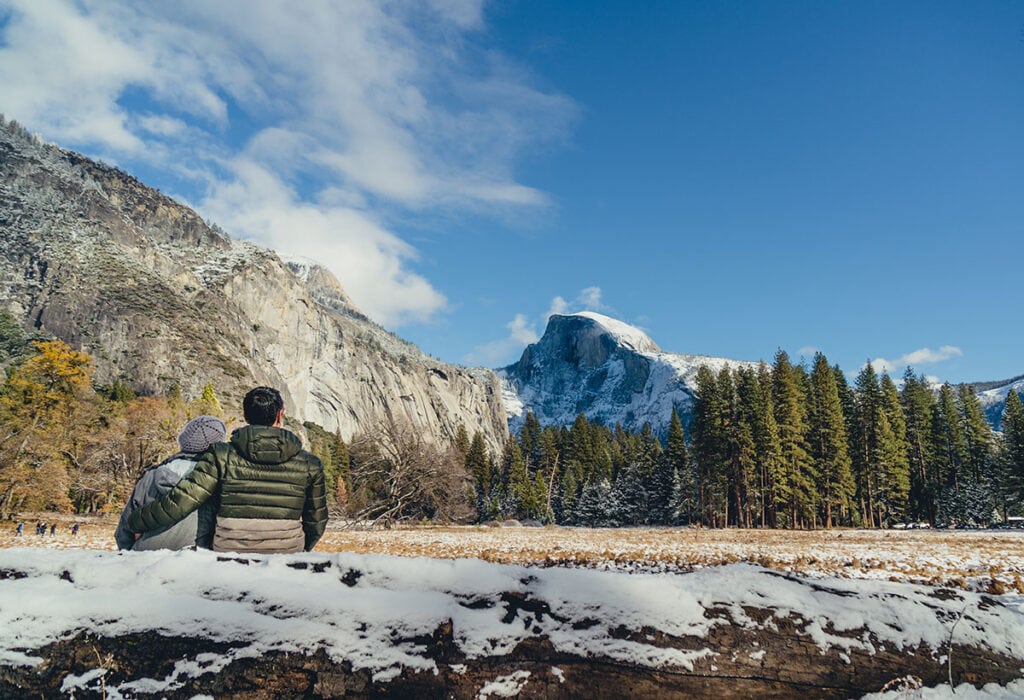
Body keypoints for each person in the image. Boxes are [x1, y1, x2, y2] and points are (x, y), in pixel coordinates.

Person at [127, 387, 327, 554]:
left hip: (230, 550)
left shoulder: (221, 454)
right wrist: (301, 548)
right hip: (287, 549)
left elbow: (182, 500)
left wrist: (136, 522)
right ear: (281, 413)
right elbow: (316, 520)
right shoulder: (310, 463)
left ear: (245, 416)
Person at [114, 415, 227, 551]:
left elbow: (125, 530)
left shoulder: (152, 475)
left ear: (185, 440)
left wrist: (130, 555)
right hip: (197, 559)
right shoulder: (221, 480)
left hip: (146, 558)